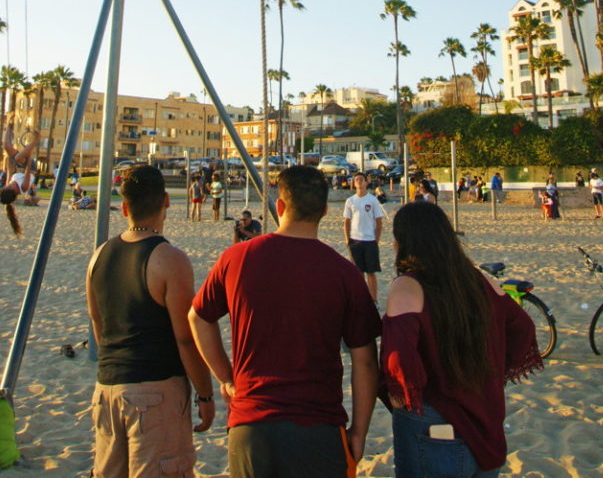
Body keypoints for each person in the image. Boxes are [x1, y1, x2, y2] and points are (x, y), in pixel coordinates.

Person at [189, 165, 380, 478]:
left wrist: (226, 377)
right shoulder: (343, 272)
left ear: (279, 207)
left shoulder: (236, 258)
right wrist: (359, 431)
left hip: (251, 424)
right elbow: (365, 361)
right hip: (319, 426)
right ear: (324, 211)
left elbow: (197, 319)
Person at [379, 201, 543, 478]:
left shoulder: (409, 285)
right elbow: (523, 328)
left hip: (435, 420)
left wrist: (402, 397)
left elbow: (399, 358)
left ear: (404, 241)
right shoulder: (478, 279)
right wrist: (494, 370)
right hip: (485, 415)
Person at [86, 165, 214, 478]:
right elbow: (185, 337)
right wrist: (205, 393)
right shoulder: (169, 258)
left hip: (107, 388)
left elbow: (98, 322)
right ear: (166, 201)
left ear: (125, 207)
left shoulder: (99, 255)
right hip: (155, 390)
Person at [343, 171, 388, 304]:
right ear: (353, 183)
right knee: (358, 273)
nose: (359, 181)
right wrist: (347, 239)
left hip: (370, 241)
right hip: (355, 240)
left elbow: (379, 222)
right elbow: (346, 221)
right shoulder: (350, 201)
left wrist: (376, 240)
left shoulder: (372, 200)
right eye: (356, 179)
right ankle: (362, 299)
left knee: (371, 272)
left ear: (366, 182)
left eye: (361, 179)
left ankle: (374, 299)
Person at [0, 113, 41, 236]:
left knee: (7, 147)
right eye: (10, 187)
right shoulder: (24, 187)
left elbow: (9, 171)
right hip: (30, 166)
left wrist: (8, 159)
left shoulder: (9, 185)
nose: (9, 185)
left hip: (19, 164)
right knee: (18, 158)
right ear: (14, 191)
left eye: (6, 187)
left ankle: (9, 125)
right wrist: (29, 156)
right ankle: (37, 139)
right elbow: (28, 170)